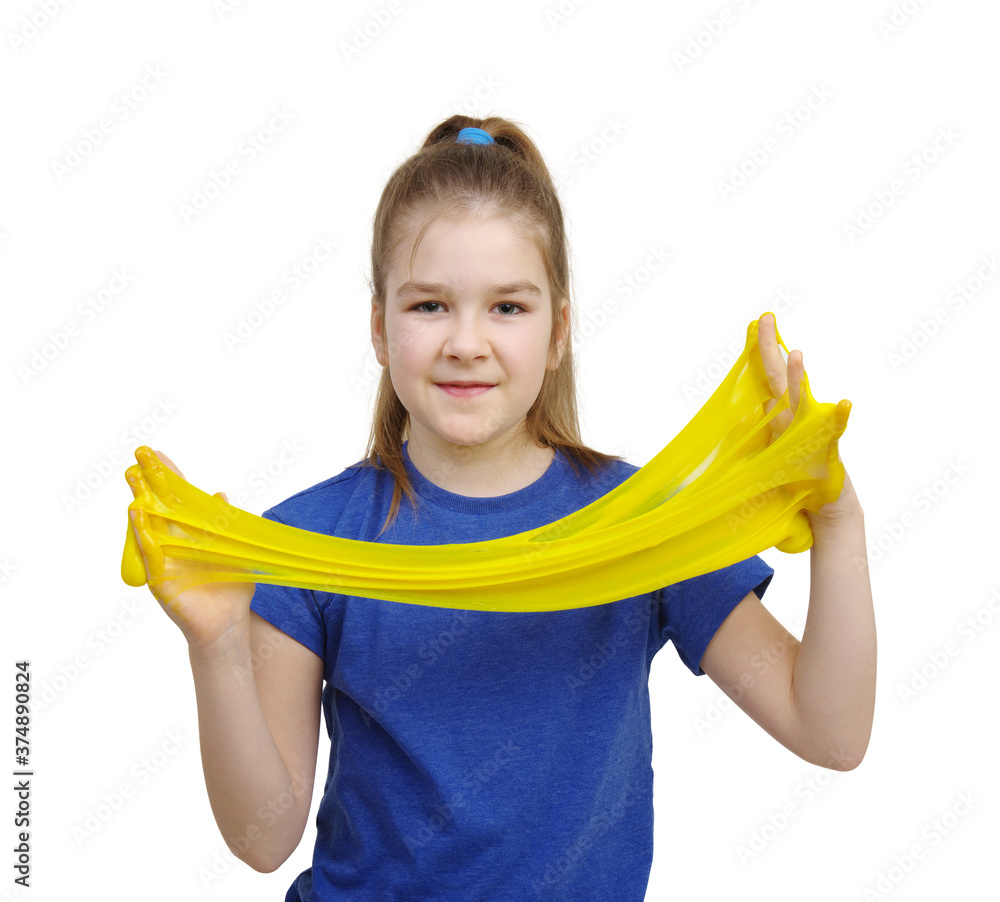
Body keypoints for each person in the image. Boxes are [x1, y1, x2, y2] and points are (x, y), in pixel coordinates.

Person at [128, 115, 876, 900]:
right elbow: (263, 840)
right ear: (379, 329)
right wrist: (215, 646)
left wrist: (837, 523)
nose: (466, 341)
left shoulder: (644, 525)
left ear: (559, 332)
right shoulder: (307, 544)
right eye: (428, 307)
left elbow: (829, 732)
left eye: (508, 308)